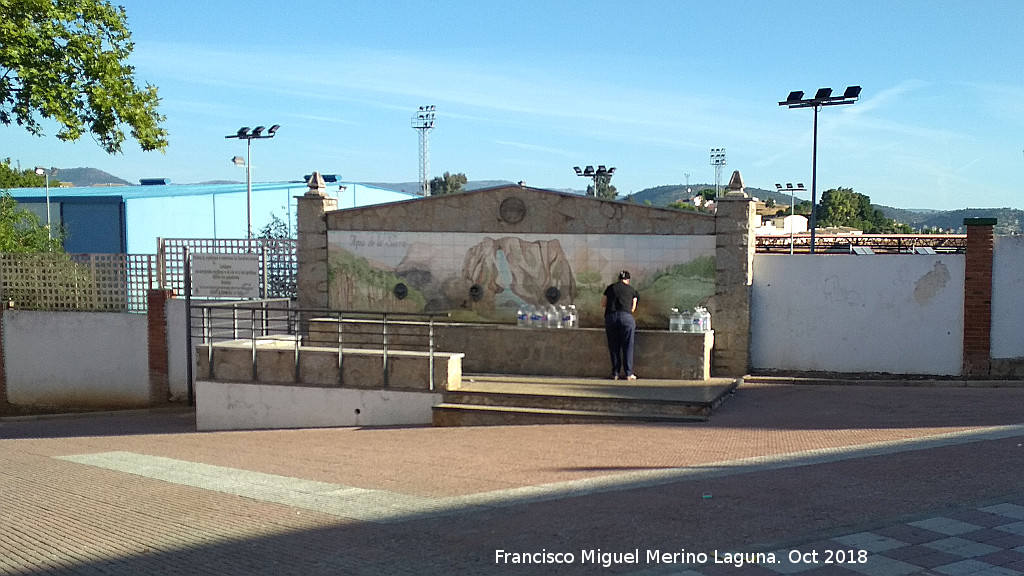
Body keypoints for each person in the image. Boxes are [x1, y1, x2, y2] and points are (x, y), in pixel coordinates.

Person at [601, 270, 639, 380]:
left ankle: (615, 373)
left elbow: (603, 303)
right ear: (628, 280)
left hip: (611, 318)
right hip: (626, 318)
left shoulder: (610, 288)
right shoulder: (632, 290)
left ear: (618, 279)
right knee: (628, 346)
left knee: (614, 346)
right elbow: (633, 308)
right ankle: (628, 373)